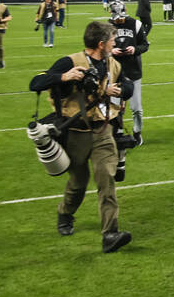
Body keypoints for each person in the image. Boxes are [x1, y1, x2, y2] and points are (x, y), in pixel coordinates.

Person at [28, 20, 134, 253]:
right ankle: (65, 213)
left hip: (103, 129)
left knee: (107, 179)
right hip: (76, 133)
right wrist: (64, 78)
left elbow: (128, 87)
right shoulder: (70, 62)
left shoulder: (112, 63)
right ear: (101, 43)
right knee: (78, 184)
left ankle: (110, 234)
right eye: (112, 40)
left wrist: (120, 90)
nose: (115, 44)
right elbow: (35, 83)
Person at [109, 0, 149, 146]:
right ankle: (117, 132)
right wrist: (111, 51)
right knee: (114, 107)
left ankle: (137, 132)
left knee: (136, 108)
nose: (119, 21)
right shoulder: (107, 26)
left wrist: (135, 49)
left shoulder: (135, 24)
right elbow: (100, 48)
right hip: (114, 72)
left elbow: (145, 45)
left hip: (133, 70)